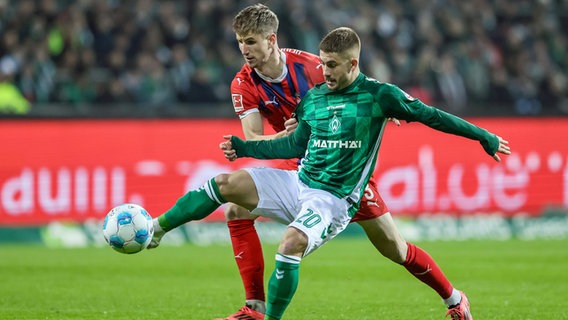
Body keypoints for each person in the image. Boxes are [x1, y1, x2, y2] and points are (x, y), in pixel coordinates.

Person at [149, 26, 510, 319]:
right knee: (227, 189)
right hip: (301, 179)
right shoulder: (315, 97)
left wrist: (484, 136)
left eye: (333, 65)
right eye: (323, 64)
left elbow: (434, 116)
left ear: (354, 64)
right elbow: (292, 146)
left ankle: (455, 299)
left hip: (340, 194)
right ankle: (158, 231)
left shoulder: (380, 95)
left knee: (396, 250)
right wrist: (245, 149)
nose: (324, 72)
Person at [221, 4, 469, 320]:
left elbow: (353, 82)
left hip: (344, 171)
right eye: (240, 41)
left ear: (272, 39)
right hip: (302, 169)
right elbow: (253, 141)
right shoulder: (243, 83)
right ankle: (254, 307)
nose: (244, 49)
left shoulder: (310, 66)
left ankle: (455, 299)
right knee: (235, 206)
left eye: (251, 41)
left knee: (396, 249)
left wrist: (382, 105)